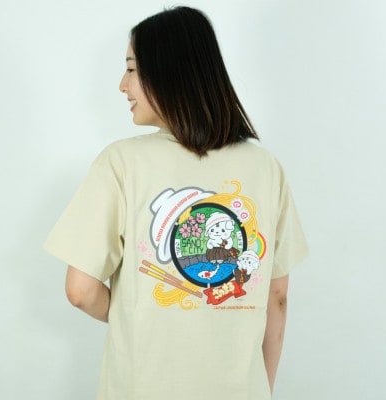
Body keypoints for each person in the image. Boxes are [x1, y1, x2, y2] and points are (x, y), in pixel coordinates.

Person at [44, 6, 308, 400]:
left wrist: (136, 317)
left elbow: (80, 291)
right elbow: (277, 297)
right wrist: (261, 389)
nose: (122, 85)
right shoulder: (266, 168)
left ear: (167, 72)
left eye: (131, 69)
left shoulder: (121, 163)